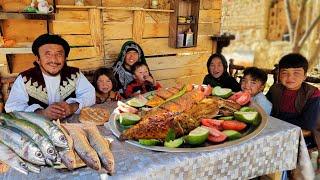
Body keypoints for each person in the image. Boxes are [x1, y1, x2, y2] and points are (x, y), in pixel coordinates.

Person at [5, 34, 95, 120]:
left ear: (65, 58)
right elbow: (12, 107)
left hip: (72, 128)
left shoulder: (75, 74)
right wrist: (42, 113)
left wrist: (72, 107)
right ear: (38, 59)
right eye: (48, 54)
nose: (54, 60)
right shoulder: (25, 78)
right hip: (37, 131)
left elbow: (89, 94)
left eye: (59, 54)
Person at [266, 53, 320, 147]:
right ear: (279, 75)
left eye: (296, 73)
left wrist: (276, 122)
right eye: (285, 72)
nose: (290, 77)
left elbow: (309, 124)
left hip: (304, 135)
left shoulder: (313, 93)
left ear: (304, 76)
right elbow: (266, 109)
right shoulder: (275, 89)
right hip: (277, 129)